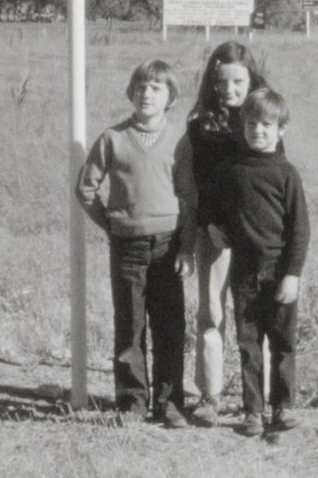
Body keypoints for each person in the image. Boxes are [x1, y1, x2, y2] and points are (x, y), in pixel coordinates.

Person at [75, 59, 195, 428]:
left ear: (170, 97)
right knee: (130, 326)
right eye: (141, 87)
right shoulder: (112, 138)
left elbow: (190, 197)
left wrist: (187, 247)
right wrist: (112, 225)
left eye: (156, 88)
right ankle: (131, 403)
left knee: (169, 326)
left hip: (169, 245)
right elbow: (86, 189)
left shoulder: (180, 141)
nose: (147, 94)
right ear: (131, 92)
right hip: (127, 247)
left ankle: (170, 402)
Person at [185, 41, 274, 427]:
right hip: (216, 233)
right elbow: (201, 183)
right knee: (212, 312)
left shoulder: (265, 119)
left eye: (238, 81)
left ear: (251, 79)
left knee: (257, 316)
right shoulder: (201, 127)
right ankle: (210, 392)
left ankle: (261, 395)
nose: (229, 90)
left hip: (257, 235)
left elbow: (275, 178)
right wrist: (209, 225)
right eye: (221, 82)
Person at [224, 88, 309, 437]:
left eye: (266, 124)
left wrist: (293, 274)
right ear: (243, 126)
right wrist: (216, 228)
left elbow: (300, 229)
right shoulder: (233, 171)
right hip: (243, 272)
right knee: (249, 346)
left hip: (278, 270)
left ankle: (283, 406)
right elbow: (217, 209)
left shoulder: (287, 173)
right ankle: (253, 412)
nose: (258, 130)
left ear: (281, 129)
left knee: (283, 344)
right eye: (251, 123)